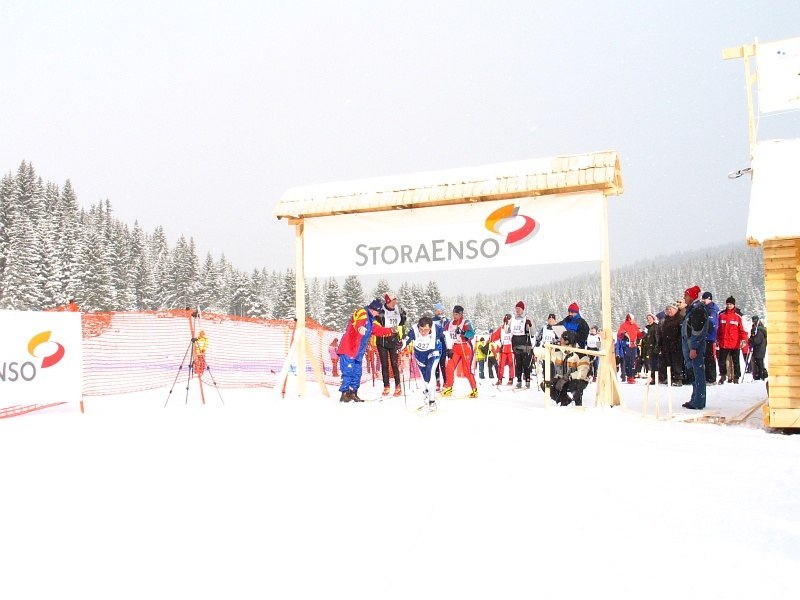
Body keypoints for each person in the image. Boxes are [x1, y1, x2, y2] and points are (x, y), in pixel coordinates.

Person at [337, 299, 395, 402]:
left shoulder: (372, 320)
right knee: (348, 371)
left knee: (357, 373)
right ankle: (345, 393)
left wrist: (390, 330)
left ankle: (353, 393)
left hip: (358, 352)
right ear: (374, 309)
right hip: (349, 348)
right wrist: (360, 328)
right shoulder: (362, 312)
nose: (378, 314)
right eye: (378, 312)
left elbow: (378, 330)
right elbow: (358, 321)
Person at [402, 316, 447, 410]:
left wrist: (449, 348)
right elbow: (406, 340)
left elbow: (446, 335)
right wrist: (400, 345)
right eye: (421, 329)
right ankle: (427, 390)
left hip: (433, 351)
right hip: (420, 354)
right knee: (425, 377)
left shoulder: (437, 328)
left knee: (430, 372)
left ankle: (432, 401)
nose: (423, 332)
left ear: (430, 327)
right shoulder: (414, 329)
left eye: (426, 330)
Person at [681, 285, 710, 410]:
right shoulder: (692, 309)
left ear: (692, 296)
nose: (684, 298)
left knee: (698, 373)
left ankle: (699, 400)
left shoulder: (698, 310)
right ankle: (695, 398)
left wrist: (694, 347)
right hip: (688, 345)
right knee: (693, 373)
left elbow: (697, 331)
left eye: (686, 295)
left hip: (694, 347)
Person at [441, 305, 478, 398]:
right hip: (455, 348)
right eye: (454, 314)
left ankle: (474, 390)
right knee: (449, 367)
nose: (455, 316)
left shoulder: (465, 322)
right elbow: (443, 333)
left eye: (457, 314)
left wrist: (462, 333)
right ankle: (449, 388)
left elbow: (472, 334)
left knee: (466, 371)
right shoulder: (450, 323)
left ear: (461, 314)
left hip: (465, 347)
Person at [375, 293, 407, 397]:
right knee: (384, 364)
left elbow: (401, 324)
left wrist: (402, 337)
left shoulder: (398, 309)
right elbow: (376, 325)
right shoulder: (381, 310)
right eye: (393, 301)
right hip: (382, 340)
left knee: (395, 364)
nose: (395, 303)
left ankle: (398, 386)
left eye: (395, 301)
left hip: (394, 340)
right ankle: (386, 386)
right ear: (388, 301)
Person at [548, 330, 591, 406]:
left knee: (576, 385)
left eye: (561, 339)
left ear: (567, 341)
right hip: (561, 378)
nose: (559, 341)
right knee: (547, 384)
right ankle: (562, 400)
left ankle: (577, 403)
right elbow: (545, 354)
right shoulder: (557, 350)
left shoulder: (581, 354)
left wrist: (567, 378)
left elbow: (582, 373)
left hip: (576, 380)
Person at [716, 296, 747, 385]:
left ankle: (736, 377)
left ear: (734, 305)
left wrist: (743, 340)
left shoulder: (738, 316)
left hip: (735, 343)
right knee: (722, 361)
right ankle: (723, 375)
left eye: (730, 304)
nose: (729, 306)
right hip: (724, 342)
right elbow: (718, 329)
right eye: (727, 304)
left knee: (736, 361)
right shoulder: (721, 315)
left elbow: (742, 330)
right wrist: (717, 339)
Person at [510, 301, 534, 389]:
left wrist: (530, 325)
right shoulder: (513, 319)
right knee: (518, 363)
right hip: (516, 342)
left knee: (526, 362)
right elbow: (508, 331)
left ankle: (527, 380)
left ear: (523, 309)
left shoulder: (527, 318)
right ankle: (519, 380)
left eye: (519, 308)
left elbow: (533, 332)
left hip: (525, 342)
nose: (517, 310)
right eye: (516, 308)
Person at [659, 302, 684, 386]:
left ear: (676, 310)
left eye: (671, 309)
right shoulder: (665, 320)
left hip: (676, 344)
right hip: (666, 345)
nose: (669, 311)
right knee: (668, 362)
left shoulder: (680, 319)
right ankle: (670, 378)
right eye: (668, 309)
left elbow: (681, 333)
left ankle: (678, 378)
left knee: (677, 362)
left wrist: (678, 342)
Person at [489, 313, 515, 385]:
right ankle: (500, 379)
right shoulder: (501, 329)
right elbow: (495, 335)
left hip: (511, 349)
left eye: (508, 320)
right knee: (501, 364)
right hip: (503, 349)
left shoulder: (512, 328)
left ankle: (511, 378)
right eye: (506, 320)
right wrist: (490, 339)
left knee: (511, 364)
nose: (507, 322)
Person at [701, 292, 720, 385]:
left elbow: (712, 323)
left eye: (705, 299)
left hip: (710, 337)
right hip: (704, 337)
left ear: (709, 299)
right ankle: (707, 377)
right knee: (706, 358)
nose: (703, 301)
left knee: (710, 358)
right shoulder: (705, 308)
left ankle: (711, 378)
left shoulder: (712, 310)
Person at [616, 313, 639, 384]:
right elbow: (619, 335)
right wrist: (623, 333)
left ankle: (631, 376)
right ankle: (629, 375)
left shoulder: (635, 325)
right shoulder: (623, 325)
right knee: (628, 361)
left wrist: (643, 332)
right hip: (626, 346)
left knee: (633, 361)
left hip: (633, 346)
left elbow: (639, 334)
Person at [432, 302, 448, 391]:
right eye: (437, 310)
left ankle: (446, 382)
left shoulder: (445, 320)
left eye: (440, 310)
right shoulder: (432, 320)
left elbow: (447, 331)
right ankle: (437, 382)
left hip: (443, 343)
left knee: (442, 364)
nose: (438, 312)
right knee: (436, 364)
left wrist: (444, 323)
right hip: (435, 343)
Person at [641, 313, 660, 385]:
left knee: (654, 364)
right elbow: (643, 337)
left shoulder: (656, 327)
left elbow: (657, 338)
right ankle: (651, 378)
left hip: (653, 348)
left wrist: (657, 347)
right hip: (647, 348)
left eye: (650, 318)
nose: (649, 320)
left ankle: (655, 378)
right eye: (648, 319)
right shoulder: (647, 327)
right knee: (648, 364)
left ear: (653, 319)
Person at [748, 316, 768, 380]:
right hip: (761, 348)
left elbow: (757, 340)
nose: (754, 322)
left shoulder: (758, 330)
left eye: (755, 321)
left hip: (758, 348)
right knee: (760, 362)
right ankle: (761, 374)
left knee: (759, 362)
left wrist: (750, 340)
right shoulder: (761, 328)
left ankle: (760, 375)